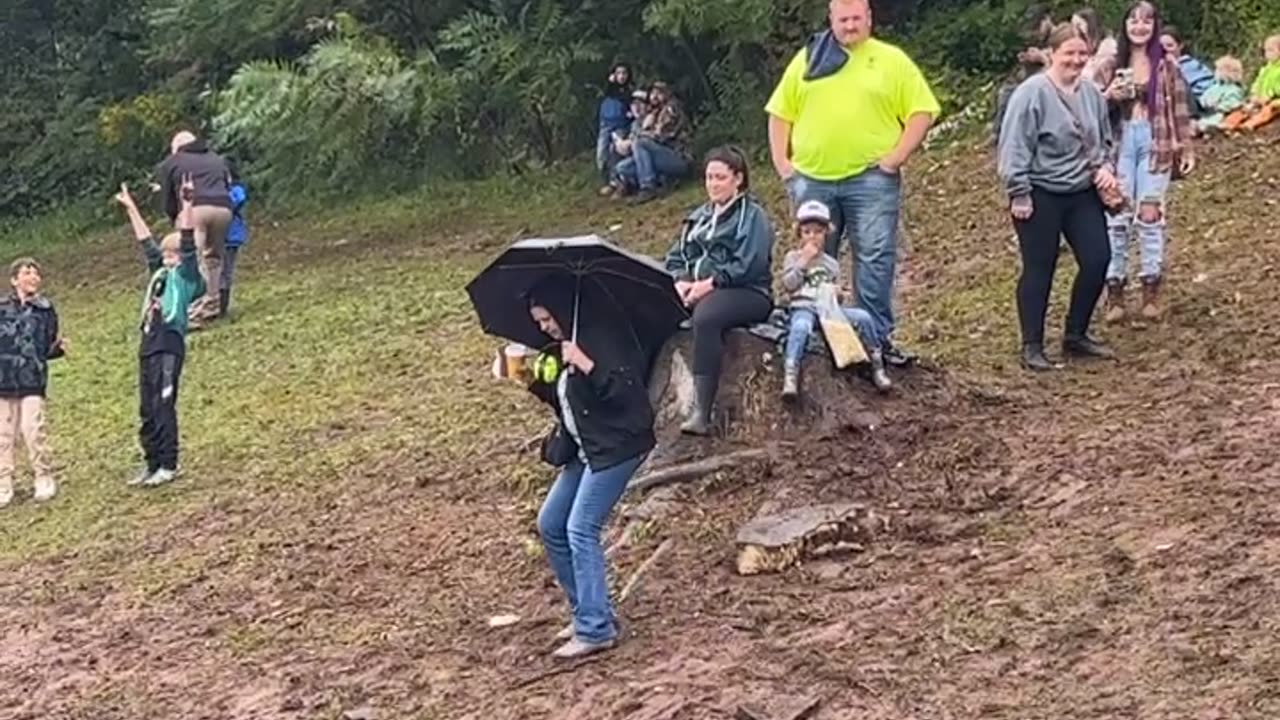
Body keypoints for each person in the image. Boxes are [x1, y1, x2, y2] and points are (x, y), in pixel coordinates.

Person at [765, 0, 939, 370]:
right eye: (842, 20)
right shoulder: (810, 59)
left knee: (874, 257)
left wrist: (895, 158)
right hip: (813, 178)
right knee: (812, 259)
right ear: (831, 20)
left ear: (869, 18)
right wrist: (783, 164)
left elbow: (922, 111)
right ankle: (815, 337)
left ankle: (874, 338)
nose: (849, 26)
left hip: (870, 178)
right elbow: (780, 112)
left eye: (856, 18)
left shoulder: (891, 60)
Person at [523, 279, 655, 660]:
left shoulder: (604, 338)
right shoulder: (564, 345)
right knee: (551, 524)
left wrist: (587, 364)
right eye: (539, 321)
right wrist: (530, 382)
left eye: (547, 318)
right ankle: (588, 611)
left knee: (581, 527)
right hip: (587, 449)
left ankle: (595, 629)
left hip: (618, 446)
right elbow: (572, 404)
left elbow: (626, 396)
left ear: (563, 310)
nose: (544, 327)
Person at [998, 23, 1118, 371]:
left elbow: (1103, 139)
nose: (1076, 60)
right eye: (1069, 53)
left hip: (1081, 191)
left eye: (1083, 53)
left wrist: (1105, 167)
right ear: (1052, 54)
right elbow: (1014, 146)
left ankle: (1076, 334)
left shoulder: (1092, 93)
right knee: (1040, 267)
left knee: (1098, 259)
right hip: (1040, 191)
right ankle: (1032, 345)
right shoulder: (1031, 93)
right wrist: (1018, 192)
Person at [663, 146, 774, 435]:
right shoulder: (698, 217)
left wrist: (711, 283)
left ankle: (702, 410)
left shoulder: (752, 216)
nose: (713, 184)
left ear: (738, 179)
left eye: (720, 177)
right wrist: (680, 279)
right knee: (652, 306)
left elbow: (751, 263)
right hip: (698, 288)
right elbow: (676, 255)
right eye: (709, 177)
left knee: (706, 317)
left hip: (748, 292)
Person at [1100, 1, 1195, 323]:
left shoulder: (1166, 65)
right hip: (1121, 142)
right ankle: (1114, 289)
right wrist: (1108, 96)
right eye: (1134, 20)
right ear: (1124, 25)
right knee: (1117, 214)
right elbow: (1089, 108)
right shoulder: (1111, 64)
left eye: (1147, 21)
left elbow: (1181, 109)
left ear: (1155, 26)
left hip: (1157, 141)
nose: (1140, 26)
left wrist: (1187, 149)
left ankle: (1151, 287)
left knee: (1150, 213)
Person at [114, 178, 206, 488]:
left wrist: (188, 203)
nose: (167, 258)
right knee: (147, 407)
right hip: (148, 342)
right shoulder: (158, 271)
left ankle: (169, 463)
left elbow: (190, 241)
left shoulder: (187, 277)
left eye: (173, 255)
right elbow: (145, 242)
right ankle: (151, 463)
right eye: (165, 255)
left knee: (164, 402)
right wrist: (131, 208)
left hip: (170, 342)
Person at [781, 200, 890, 397]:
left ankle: (877, 365)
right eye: (807, 232)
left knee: (863, 317)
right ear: (800, 234)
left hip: (828, 310)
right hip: (803, 307)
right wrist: (804, 261)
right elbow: (788, 284)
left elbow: (837, 294)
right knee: (800, 328)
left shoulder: (831, 264)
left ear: (826, 233)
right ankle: (791, 374)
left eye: (818, 232)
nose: (812, 237)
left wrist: (838, 294)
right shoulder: (792, 257)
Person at [0, 258, 66, 506]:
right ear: (15, 279)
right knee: (3, 435)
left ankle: (43, 475)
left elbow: (46, 345)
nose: (32, 276)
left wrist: (58, 350)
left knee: (33, 429)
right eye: (26, 272)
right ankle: (4, 484)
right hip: (3, 378)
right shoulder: (2, 307)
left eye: (35, 272)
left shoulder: (46, 310)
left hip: (32, 378)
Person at [154, 131, 232, 327]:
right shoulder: (216, 158)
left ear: (177, 148)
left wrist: (175, 218)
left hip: (195, 211)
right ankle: (212, 304)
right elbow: (228, 184)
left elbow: (168, 198)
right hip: (224, 209)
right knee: (213, 257)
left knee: (191, 256)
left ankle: (193, 309)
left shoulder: (172, 162)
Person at [611, 81, 691, 204]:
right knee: (622, 167)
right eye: (653, 93)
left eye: (658, 93)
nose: (654, 96)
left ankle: (648, 187)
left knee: (640, 143)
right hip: (661, 156)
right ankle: (662, 181)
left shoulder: (671, 108)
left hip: (678, 156)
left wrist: (634, 139)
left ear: (666, 94)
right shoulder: (654, 113)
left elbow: (661, 136)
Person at [993, 7, 1054, 146]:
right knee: (1005, 93)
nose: (1037, 32)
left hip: (1046, 77)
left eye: (1038, 27)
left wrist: (1041, 56)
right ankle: (999, 133)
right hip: (1031, 76)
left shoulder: (1058, 35)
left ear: (1047, 20)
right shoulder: (1038, 40)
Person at [1222, 34, 1280, 132]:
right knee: (1244, 109)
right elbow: (1258, 82)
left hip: (1275, 100)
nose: (1267, 54)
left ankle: (1249, 125)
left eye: (1271, 50)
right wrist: (1255, 94)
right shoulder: (1265, 69)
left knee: (1268, 110)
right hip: (1261, 98)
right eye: (1266, 50)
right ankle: (1227, 124)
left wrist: (1269, 96)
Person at [595, 63, 634, 195]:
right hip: (605, 125)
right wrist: (610, 82)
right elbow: (606, 91)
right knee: (602, 154)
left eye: (624, 73)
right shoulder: (609, 90)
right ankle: (605, 181)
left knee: (615, 152)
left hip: (620, 125)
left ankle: (617, 182)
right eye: (619, 73)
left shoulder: (629, 92)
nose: (622, 76)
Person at [1160, 25, 1215, 112]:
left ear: (1180, 46)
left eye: (1170, 46)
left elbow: (1207, 92)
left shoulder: (1193, 67)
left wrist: (1176, 69)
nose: (1165, 50)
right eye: (1161, 47)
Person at [1195, 56, 1247, 133]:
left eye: (1218, 69)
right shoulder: (1215, 86)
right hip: (1204, 111)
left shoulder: (1234, 89)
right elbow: (1203, 98)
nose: (1216, 72)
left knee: (1207, 123)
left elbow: (1233, 104)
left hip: (1218, 114)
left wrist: (1217, 107)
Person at [222, 171, 249, 317]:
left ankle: (223, 305)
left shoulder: (237, 191)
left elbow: (234, 202)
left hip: (231, 238)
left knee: (226, 271)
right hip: (219, 237)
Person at [1074, 8, 1117, 88]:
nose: (1076, 29)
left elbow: (1090, 74)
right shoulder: (1083, 45)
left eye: (1079, 24)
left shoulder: (1107, 45)